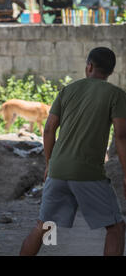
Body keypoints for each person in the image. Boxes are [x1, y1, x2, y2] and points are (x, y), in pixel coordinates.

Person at [20, 47, 126, 256]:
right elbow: (121, 137)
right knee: (116, 228)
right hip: (87, 172)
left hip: (58, 170)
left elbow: (49, 129)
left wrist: (50, 164)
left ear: (89, 66)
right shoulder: (116, 95)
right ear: (111, 71)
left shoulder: (67, 90)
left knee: (44, 226)